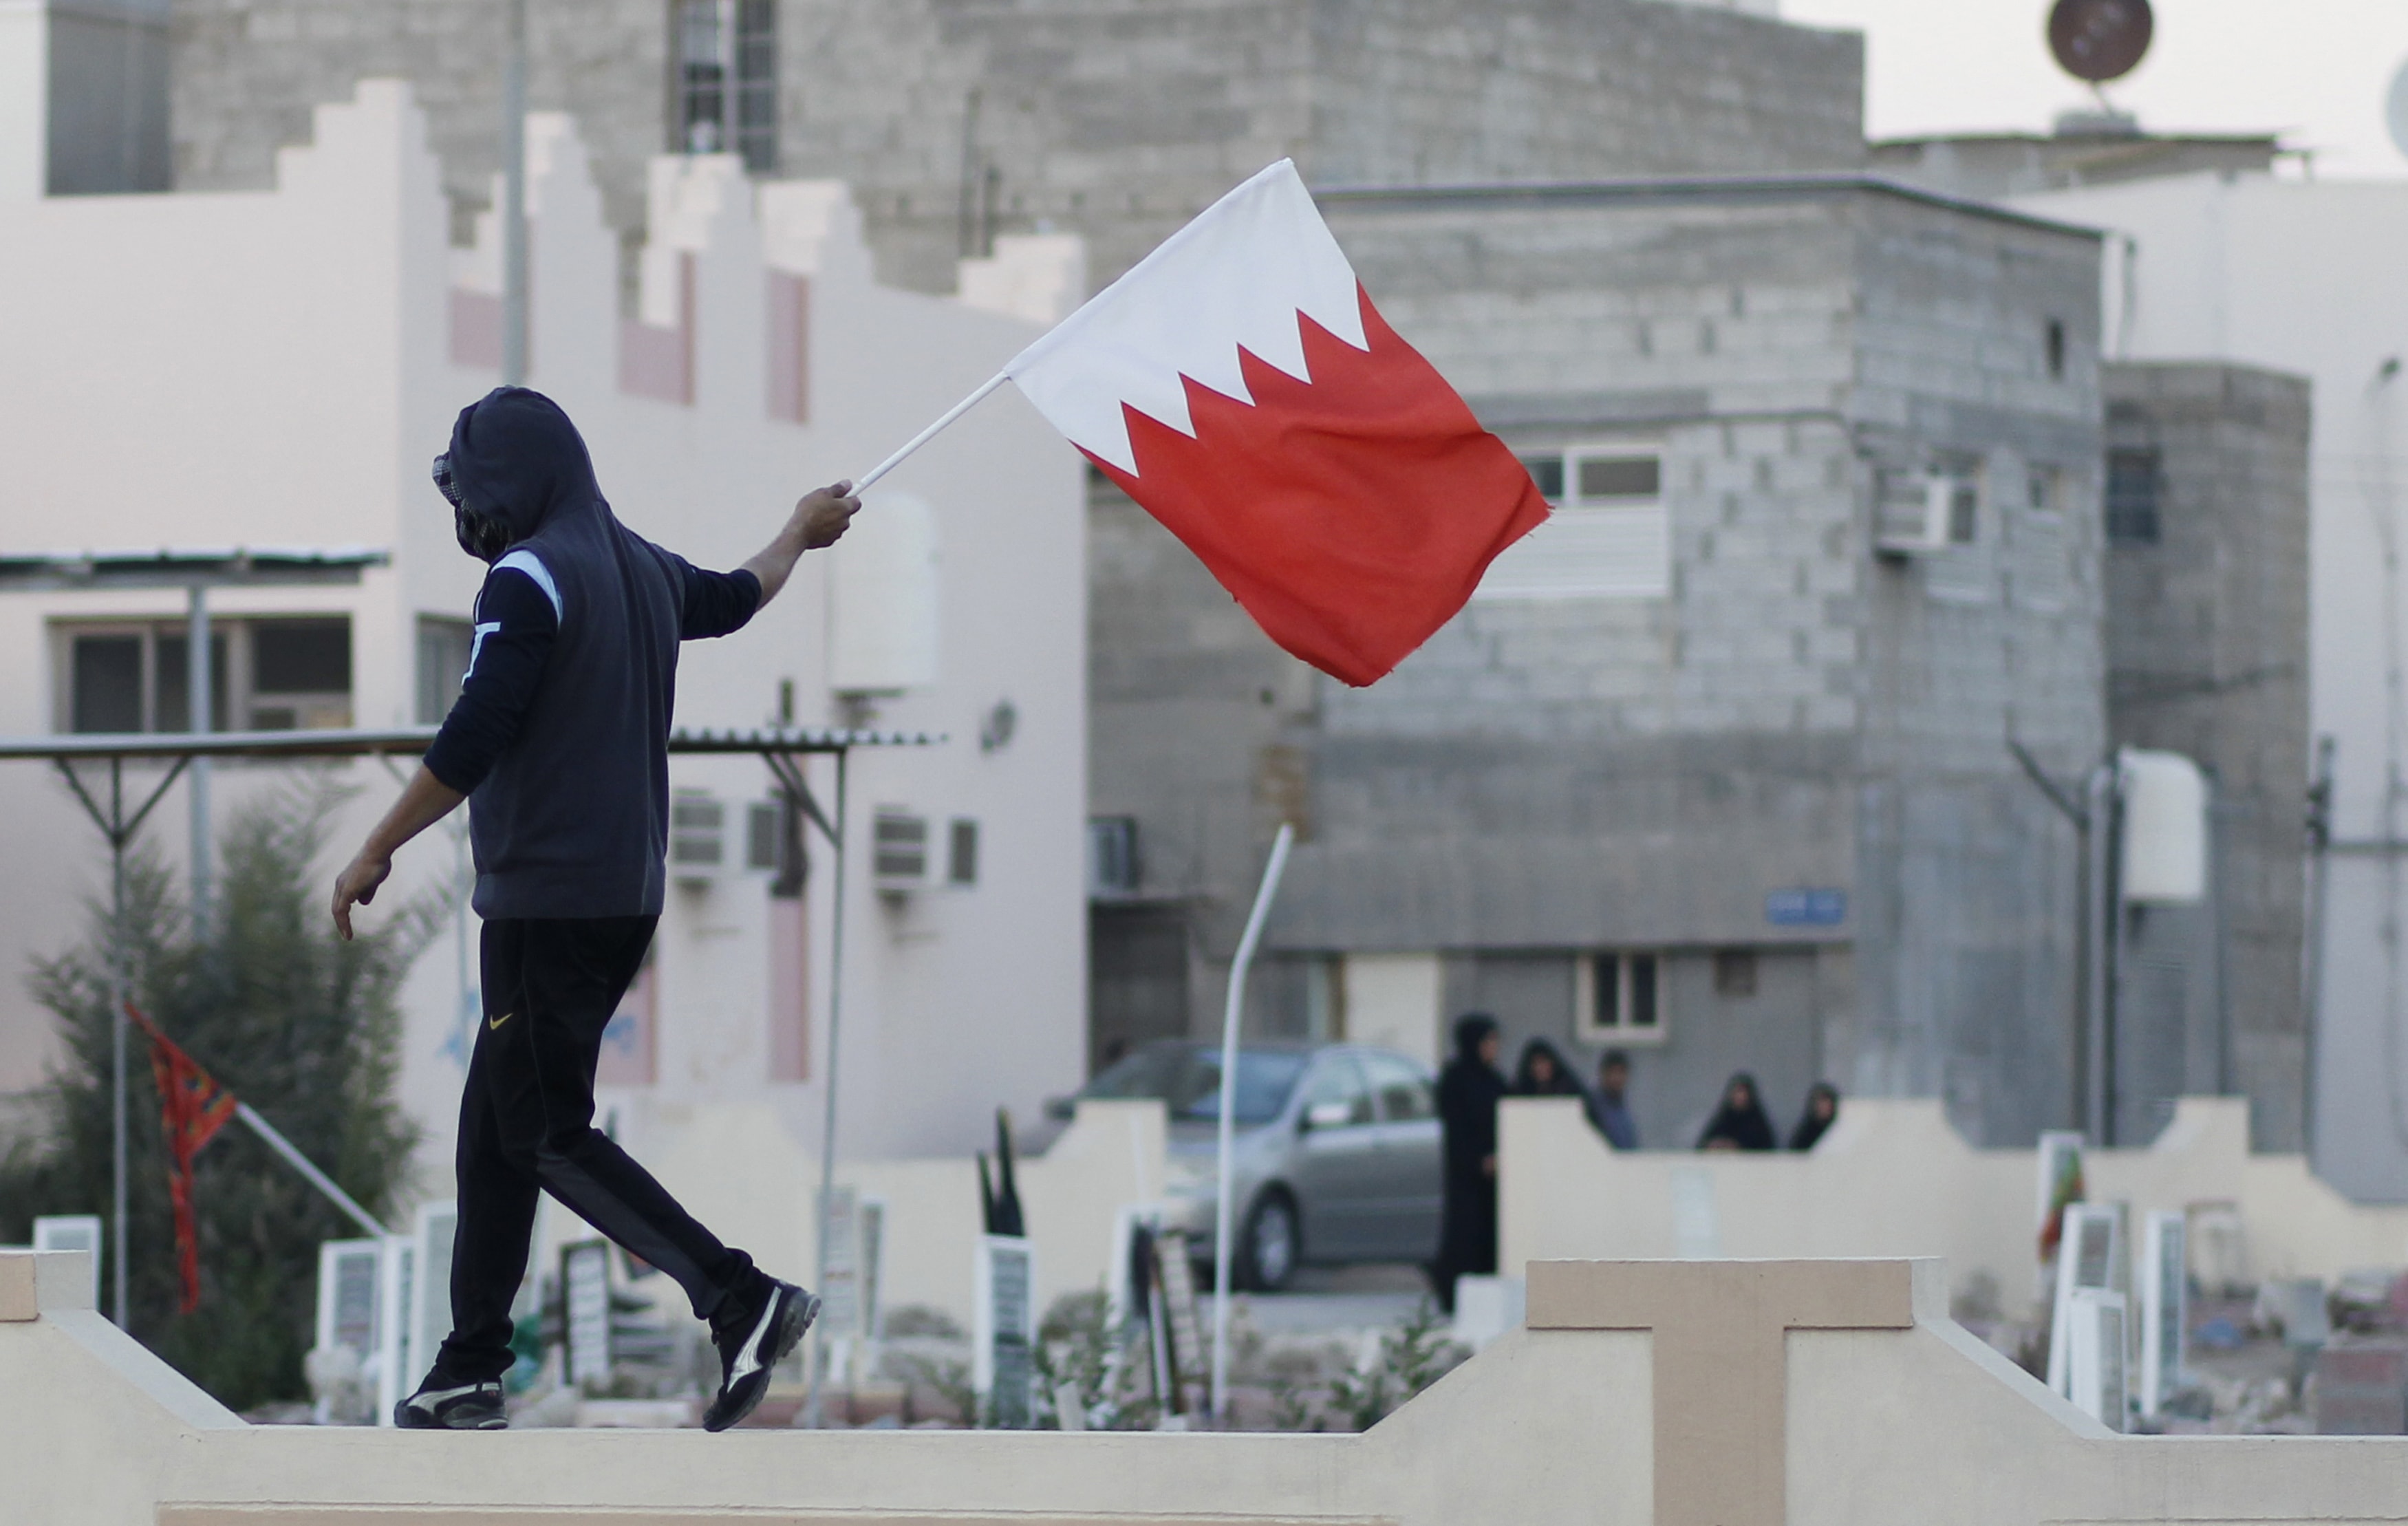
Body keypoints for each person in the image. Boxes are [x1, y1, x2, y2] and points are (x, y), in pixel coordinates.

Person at [330, 387, 859, 1432]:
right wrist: (798, 532)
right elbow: (736, 595)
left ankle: (738, 1295)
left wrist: (375, 847)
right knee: (495, 1128)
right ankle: (471, 1364)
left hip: (545, 904)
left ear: (511, 487)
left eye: (475, 490)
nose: (470, 514)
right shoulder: (634, 563)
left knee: (545, 1129)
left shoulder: (527, 579)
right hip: (623, 895)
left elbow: (473, 737)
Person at [1430, 1013, 1507, 1313]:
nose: (1493, 1048)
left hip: (1496, 1179)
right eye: (1488, 1041)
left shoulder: (1494, 1080)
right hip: (1465, 1176)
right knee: (1463, 1235)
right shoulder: (1455, 1080)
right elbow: (1458, 1130)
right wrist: (1478, 1161)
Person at [1695, 1072, 1777, 1152]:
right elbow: (1703, 1145)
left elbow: (1766, 1149)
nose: (1741, 1097)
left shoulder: (1758, 1124)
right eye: (1738, 1092)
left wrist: (1739, 1147)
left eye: (1744, 1093)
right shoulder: (1723, 1119)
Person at [1587, 1049, 1640, 1150]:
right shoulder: (1593, 1107)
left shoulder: (1622, 1109)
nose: (1617, 1078)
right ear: (1603, 1074)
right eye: (1613, 1072)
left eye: (1621, 1073)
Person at [1511, 1036, 1583, 1097]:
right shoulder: (1520, 1091)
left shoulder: (1569, 1088)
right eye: (1536, 1063)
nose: (1540, 1068)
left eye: (1544, 1062)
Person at [1789, 1081, 1841, 1151]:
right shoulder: (1805, 1135)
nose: (1824, 1108)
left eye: (1828, 1105)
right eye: (1821, 1104)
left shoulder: (1838, 1131)